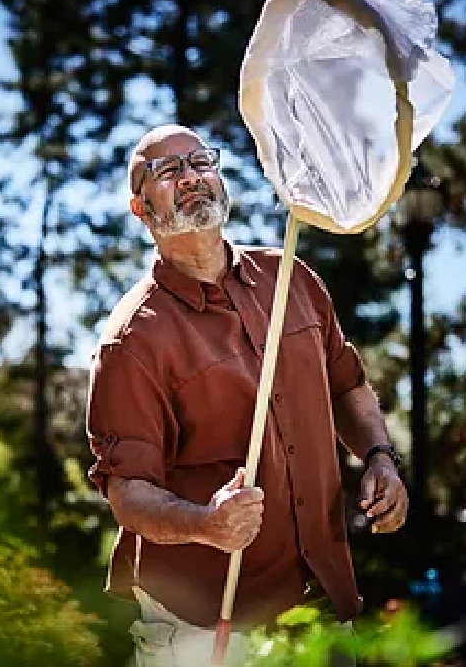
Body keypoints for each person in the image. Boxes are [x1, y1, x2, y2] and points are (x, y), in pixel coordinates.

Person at [85, 124, 409, 666]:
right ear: (140, 210)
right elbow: (128, 492)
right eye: (165, 172)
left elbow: (348, 386)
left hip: (319, 598)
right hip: (206, 623)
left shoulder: (292, 279)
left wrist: (381, 456)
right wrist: (204, 524)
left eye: (199, 162)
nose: (189, 177)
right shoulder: (133, 341)